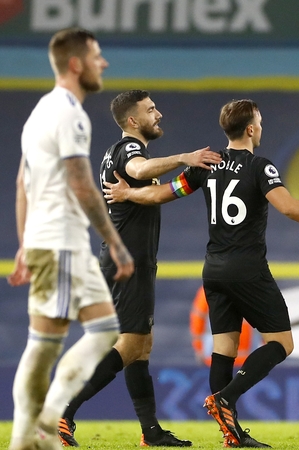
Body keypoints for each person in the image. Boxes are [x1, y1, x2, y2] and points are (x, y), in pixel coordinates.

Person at [103, 99, 299, 448]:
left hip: (213, 271)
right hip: (247, 269)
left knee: (224, 349)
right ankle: (226, 398)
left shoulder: (205, 166)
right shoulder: (261, 167)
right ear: (251, 129)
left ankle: (232, 434)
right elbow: (288, 207)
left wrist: (127, 193)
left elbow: (161, 194)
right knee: (281, 343)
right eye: (259, 121)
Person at [57, 89, 223, 447]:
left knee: (141, 346)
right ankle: (62, 410)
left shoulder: (117, 152)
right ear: (133, 121)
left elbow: (156, 193)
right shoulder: (129, 151)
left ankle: (151, 431)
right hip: (128, 262)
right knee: (131, 345)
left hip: (132, 260)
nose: (158, 114)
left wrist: (190, 180)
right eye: (150, 110)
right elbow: (140, 170)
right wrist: (185, 157)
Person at [7, 27, 134, 450]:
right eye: (97, 56)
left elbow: (23, 181)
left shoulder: (41, 111)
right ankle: (47, 417)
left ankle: (28, 433)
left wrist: (24, 243)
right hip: (62, 241)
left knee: (63, 338)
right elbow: (82, 183)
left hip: (50, 240)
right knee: (81, 336)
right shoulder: (70, 114)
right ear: (77, 63)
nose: (104, 63)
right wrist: (114, 243)